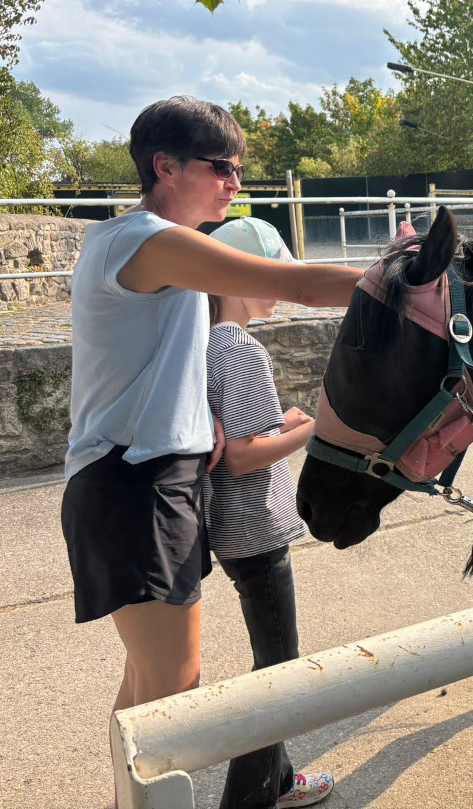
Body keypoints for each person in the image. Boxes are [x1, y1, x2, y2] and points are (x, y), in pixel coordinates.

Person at [60, 96, 361, 804]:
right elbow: (298, 283)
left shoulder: (154, 257)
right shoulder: (145, 240)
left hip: (153, 479)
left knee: (147, 694)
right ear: (165, 166)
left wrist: (199, 418)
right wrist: (418, 281)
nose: (234, 183)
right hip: (134, 485)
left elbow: (148, 362)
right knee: (174, 700)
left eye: (238, 169)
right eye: (220, 167)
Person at [205, 217, 334, 808]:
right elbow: (241, 457)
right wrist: (306, 434)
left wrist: (275, 425)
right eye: (272, 272)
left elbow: (237, 436)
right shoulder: (240, 348)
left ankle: (278, 779)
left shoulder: (208, 344)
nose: (280, 286)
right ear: (238, 274)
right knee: (277, 673)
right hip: (256, 530)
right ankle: (250, 799)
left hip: (233, 531)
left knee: (272, 659)